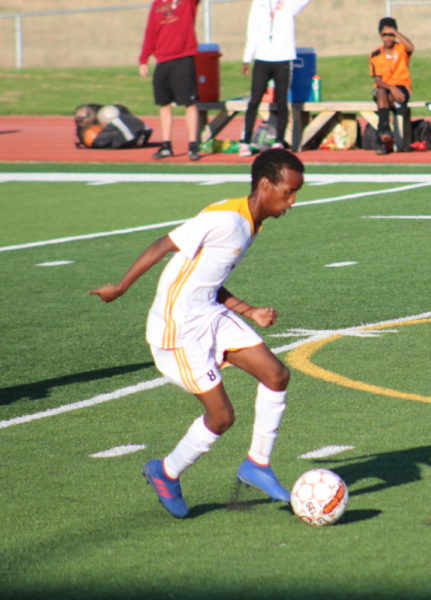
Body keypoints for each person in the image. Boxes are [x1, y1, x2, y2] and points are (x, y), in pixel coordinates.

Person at [89, 149, 305, 518]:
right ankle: (166, 472)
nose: (293, 201)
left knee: (276, 374)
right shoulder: (226, 220)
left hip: (208, 312)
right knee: (221, 417)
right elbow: (163, 244)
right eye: (288, 191)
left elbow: (208, 280)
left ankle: (258, 464)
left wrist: (249, 310)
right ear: (265, 185)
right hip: (179, 328)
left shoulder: (250, 222)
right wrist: (121, 288)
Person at [239, 0, 312, 157]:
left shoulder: (288, 3)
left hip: (283, 58)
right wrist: (247, 58)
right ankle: (245, 141)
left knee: (281, 100)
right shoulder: (258, 4)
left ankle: (279, 141)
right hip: (262, 58)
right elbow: (252, 31)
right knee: (254, 100)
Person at [139, 0, 203, 161]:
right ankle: (166, 145)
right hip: (162, 60)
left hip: (183, 58)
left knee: (189, 103)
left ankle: (193, 146)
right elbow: (151, 31)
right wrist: (144, 58)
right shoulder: (157, 4)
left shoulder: (187, 3)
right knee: (164, 104)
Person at [369, 17, 415, 156]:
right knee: (381, 91)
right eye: (385, 34)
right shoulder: (375, 54)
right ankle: (385, 131)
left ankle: (383, 137)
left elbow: (411, 47)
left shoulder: (401, 49)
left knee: (384, 94)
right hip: (385, 89)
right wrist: (391, 88)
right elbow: (378, 80)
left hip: (402, 87)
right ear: (380, 36)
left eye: (390, 34)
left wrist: (396, 32)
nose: (388, 38)